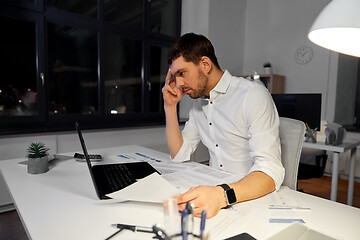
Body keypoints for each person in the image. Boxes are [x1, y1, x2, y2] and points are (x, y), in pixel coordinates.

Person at [162, 33, 284, 219]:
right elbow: (179, 155)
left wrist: (221, 195)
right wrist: (170, 107)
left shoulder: (252, 95)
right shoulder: (198, 104)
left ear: (205, 64)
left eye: (182, 73)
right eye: (175, 76)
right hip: (216, 193)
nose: (178, 84)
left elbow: (270, 170)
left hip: (248, 195)